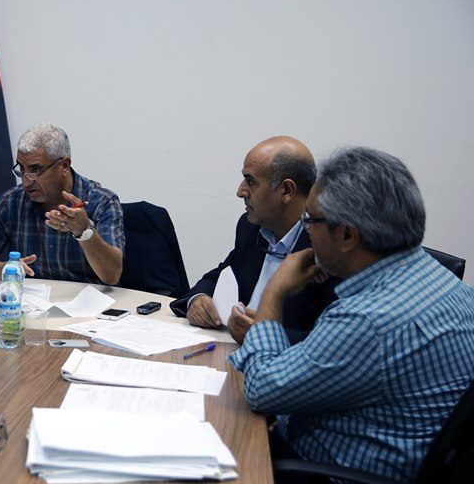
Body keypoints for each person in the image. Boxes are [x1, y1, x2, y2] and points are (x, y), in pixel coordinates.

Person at [229, 147, 474, 482]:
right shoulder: (447, 284)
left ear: (346, 235)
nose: (306, 230)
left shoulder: (369, 319)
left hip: (323, 473)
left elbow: (262, 390)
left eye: (310, 220)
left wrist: (276, 290)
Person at [170, 136, 336, 343]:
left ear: (286, 190)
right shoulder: (251, 227)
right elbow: (221, 274)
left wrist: (263, 335)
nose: (240, 192)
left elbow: (334, 341)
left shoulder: (328, 246)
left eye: (250, 181)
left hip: (281, 359)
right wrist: (197, 299)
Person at [0, 123, 124, 285]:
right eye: (22, 169)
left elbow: (112, 276)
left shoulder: (102, 202)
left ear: (64, 166)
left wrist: (85, 231)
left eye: (35, 170)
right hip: (31, 299)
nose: (26, 181)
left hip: (89, 299)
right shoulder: (11, 202)